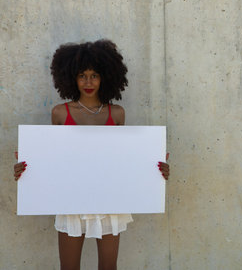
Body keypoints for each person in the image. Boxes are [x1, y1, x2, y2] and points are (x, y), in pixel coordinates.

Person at [13, 39, 170, 270]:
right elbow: (53, 159)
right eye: (82, 75)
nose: (88, 82)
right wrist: (27, 171)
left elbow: (122, 161)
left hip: (109, 200)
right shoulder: (59, 113)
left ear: (105, 77)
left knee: (108, 267)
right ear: (71, 78)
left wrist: (155, 170)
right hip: (70, 201)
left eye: (94, 75)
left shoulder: (116, 114)